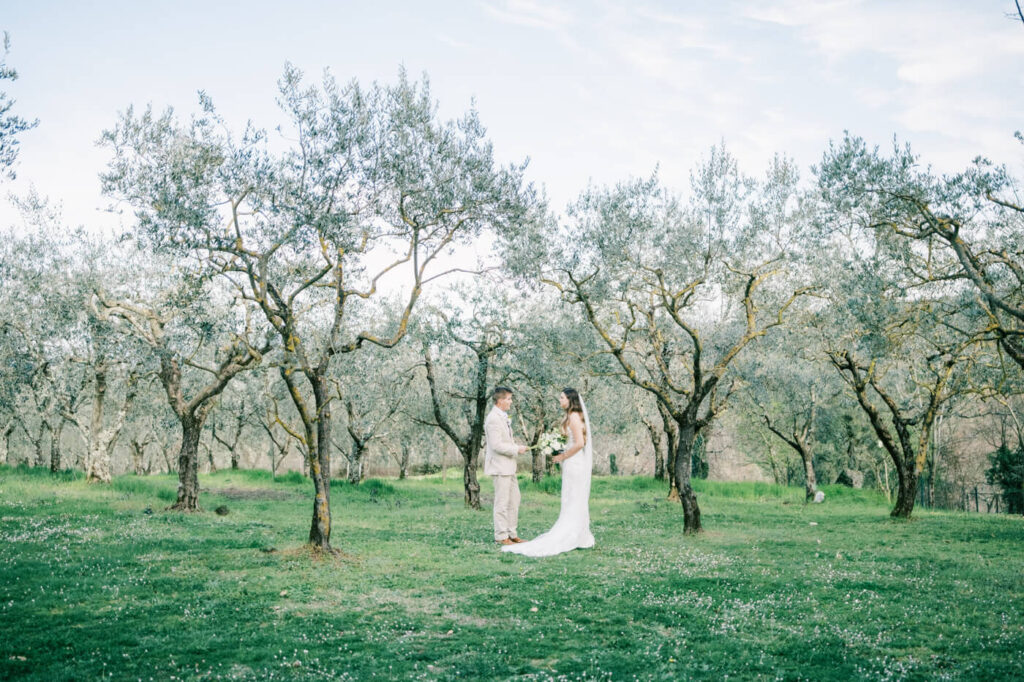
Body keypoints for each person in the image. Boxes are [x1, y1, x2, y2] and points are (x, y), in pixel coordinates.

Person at [503, 387, 594, 557]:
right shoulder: (571, 416)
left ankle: (575, 534)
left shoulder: (574, 417)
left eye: (562, 397)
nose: (560, 400)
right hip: (572, 462)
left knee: (574, 497)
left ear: (570, 399)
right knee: (571, 497)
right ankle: (577, 533)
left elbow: (580, 443)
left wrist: (563, 456)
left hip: (575, 462)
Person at [484, 386, 528, 545]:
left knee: (514, 500)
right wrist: (516, 449)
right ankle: (501, 536)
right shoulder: (493, 418)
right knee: (502, 502)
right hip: (500, 467)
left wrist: (517, 446)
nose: (511, 402)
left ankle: (511, 533)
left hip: (509, 466)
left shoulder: (502, 417)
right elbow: (496, 445)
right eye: (509, 399)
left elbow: (505, 441)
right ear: (500, 400)